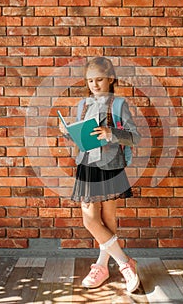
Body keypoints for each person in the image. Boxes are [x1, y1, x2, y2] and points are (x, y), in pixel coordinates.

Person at [59, 57, 141, 293]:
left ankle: (102, 266)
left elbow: (135, 136)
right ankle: (125, 263)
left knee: (107, 220)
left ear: (111, 79)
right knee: (90, 219)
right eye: (90, 80)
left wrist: (110, 132)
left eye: (99, 80)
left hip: (111, 165)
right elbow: (81, 138)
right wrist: (67, 133)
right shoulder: (82, 105)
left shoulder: (119, 105)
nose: (94, 84)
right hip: (87, 165)